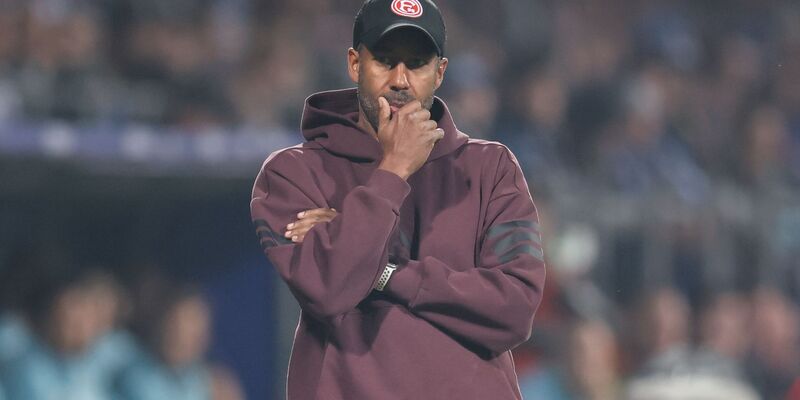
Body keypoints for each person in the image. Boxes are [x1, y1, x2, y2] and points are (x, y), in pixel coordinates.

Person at [250, 0, 546, 398]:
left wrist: (386, 272)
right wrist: (392, 172)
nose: (401, 80)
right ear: (355, 64)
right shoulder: (293, 173)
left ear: (439, 72)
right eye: (385, 61)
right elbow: (328, 289)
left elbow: (514, 311)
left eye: (417, 63)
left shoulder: (491, 168)